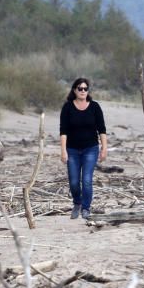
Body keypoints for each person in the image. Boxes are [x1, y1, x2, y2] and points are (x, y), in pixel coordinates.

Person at [59, 78, 107, 220]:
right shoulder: (67, 107)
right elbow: (63, 131)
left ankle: (86, 208)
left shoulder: (95, 107)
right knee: (74, 182)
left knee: (86, 180)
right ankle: (77, 203)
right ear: (74, 90)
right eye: (80, 88)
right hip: (72, 150)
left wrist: (104, 148)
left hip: (90, 149)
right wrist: (63, 150)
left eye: (85, 89)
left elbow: (102, 129)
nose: (83, 91)